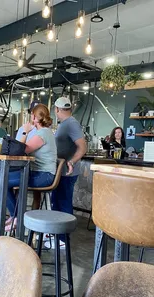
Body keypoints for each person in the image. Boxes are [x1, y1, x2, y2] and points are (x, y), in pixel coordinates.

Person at [0, 104, 57, 231]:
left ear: (34, 117)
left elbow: (20, 150)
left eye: (32, 115)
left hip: (43, 176)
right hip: (37, 172)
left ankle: (16, 216)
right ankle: (15, 214)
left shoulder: (42, 134)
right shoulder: (44, 132)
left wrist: (24, 131)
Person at [50, 97, 86, 248]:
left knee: (63, 203)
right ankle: (57, 237)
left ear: (57, 110)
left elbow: (83, 147)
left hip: (67, 171)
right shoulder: (65, 124)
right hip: (62, 170)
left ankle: (63, 240)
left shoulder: (71, 123)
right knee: (57, 202)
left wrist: (72, 161)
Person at [16, 100, 41, 209]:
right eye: (33, 112)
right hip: (21, 166)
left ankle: (29, 220)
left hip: (37, 167)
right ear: (30, 113)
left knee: (37, 194)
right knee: (15, 187)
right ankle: (17, 215)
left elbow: (22, 149)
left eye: (37, 112)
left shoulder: (42, 130)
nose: (34, 115)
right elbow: (17, 149)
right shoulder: (23, 128)